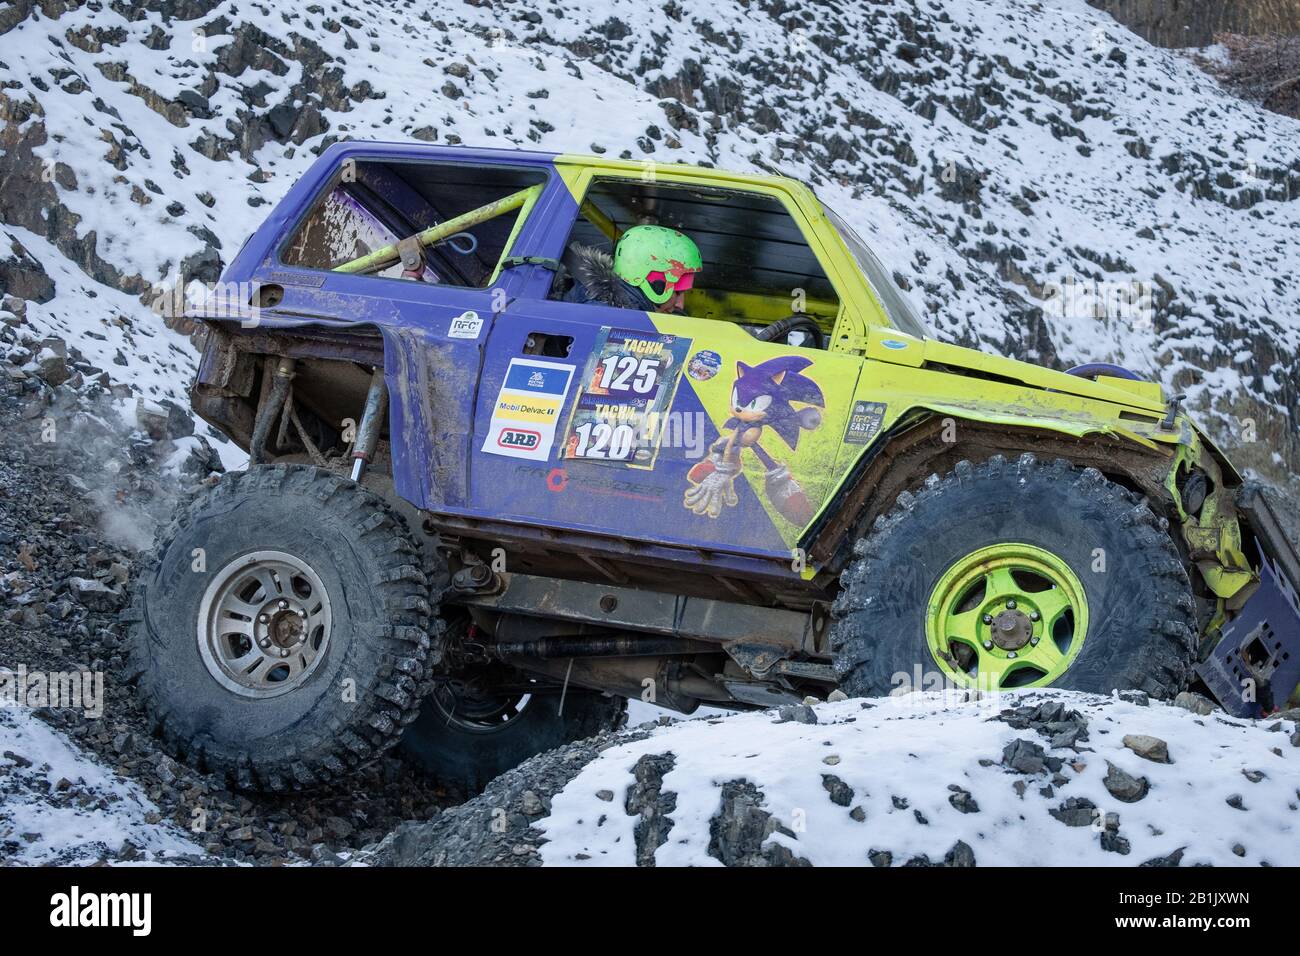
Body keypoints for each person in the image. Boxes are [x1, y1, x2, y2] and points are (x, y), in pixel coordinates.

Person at [564, 224, 702, 314]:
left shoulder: (618, 308)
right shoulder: (609, 318)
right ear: (655, 286)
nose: (680, 304)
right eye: (678, 291)